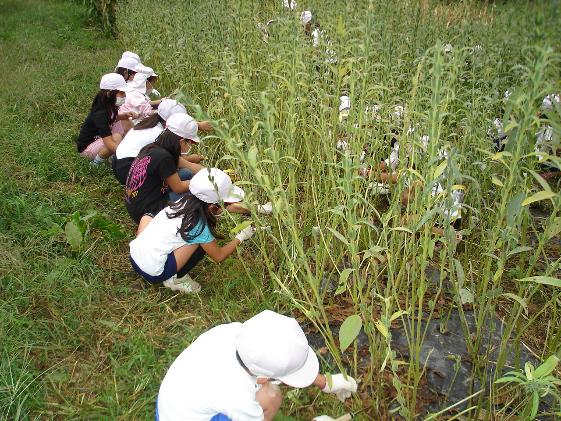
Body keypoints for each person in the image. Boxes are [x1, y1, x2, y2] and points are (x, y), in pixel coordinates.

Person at [155, 309, 358, 420]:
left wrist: (324, 382)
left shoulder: (236, 332)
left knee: (268, 393)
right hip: (177, 415)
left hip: (176, 402)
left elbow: (276, 356)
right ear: (261, 377)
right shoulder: (236, 395)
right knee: (270, 398)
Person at [129, 168, 257, 293]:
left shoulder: (184, 201)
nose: (227, 207)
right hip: (153, 272)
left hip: (135, 256)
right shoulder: (197, 225)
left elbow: (219, 208)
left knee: (152, 219)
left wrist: (257, 209)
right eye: (226, 204)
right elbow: (219, 256)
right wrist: (241, 237)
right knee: (199, 242)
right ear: (212, 207)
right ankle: (176, 279)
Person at [124, 113, 205, 226]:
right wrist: (206, 181)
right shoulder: (164, 157)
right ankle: (188, 225)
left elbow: (191, 167)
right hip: (148, 210)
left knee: (186, 173)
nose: (191, 146)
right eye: (191, 142)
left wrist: (211, 173)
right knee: (196, 192)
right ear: (181, 141)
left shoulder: (153, 148)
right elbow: (178, 188)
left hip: (135, 203)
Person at [113, 99, 211, 185]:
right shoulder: (159, 135)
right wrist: (193, 161)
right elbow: (171, 161)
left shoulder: (149, 123)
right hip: (128, 170)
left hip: (118, 163)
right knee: (185, 173)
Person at [76, 73, 137, 166]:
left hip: (99, 141)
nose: (124, 96)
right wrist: (127, 156)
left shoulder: (111, 107)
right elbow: (108, 143)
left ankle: (115, 154)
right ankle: (96, 163)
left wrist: (125, 115)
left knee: (128, 123)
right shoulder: (100, 114)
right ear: (109, 94)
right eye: (121, 93)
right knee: (115, 138)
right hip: (87, 150)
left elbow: (112, 119)